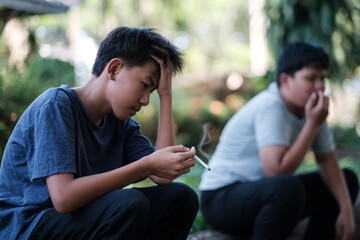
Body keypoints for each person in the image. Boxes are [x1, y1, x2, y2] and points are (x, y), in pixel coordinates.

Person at [0, 27, 199, 240]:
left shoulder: (120, 124)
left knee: (181, 197)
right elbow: (63, 198)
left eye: (152, 92)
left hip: (75, 220)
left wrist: (166, 95)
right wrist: (146, 164)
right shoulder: (57, 105)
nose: (146, 100)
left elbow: (162, 176)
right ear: (114, 69)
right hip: (28, 226)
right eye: (144, 85)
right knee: (129, 204)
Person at [199, 41, 359, 240]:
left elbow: (327, 159)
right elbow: (275, 171)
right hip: (221, 199)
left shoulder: (312, 109)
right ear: (285, 80)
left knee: (347, 179)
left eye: (322, 79)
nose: (319, 86)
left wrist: (346, 210)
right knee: (287, 188)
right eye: (311, 78)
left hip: (264, 193)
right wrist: (312, 124)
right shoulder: (271, 105)